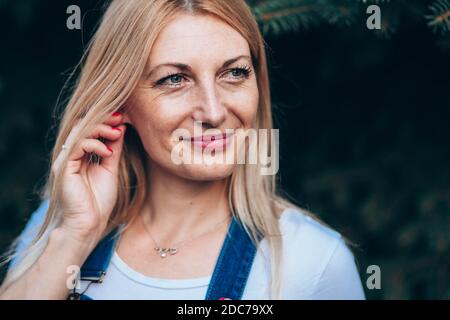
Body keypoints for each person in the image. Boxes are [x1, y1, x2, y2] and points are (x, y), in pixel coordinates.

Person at [0, 0, 365, 300]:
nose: (214, 111)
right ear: (121, 102)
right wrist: (77, 234)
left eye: (234, 73)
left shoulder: (312, 263)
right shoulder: (60, 225)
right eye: (174, 79)